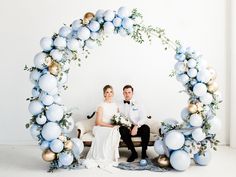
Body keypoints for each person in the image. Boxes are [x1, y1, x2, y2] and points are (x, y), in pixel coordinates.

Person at [86, 85, 121, 167]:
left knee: (115, 131)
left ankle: (111, 156)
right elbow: (98, 122)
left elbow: (118, 118)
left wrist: (118, 123)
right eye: (107, 92)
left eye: (111, 92)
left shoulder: (115, 105)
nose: (109, 94)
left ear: (113, 93)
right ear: (104, 94)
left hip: (111, 126)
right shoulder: (101, 106)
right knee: (111, 131)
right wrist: (110, 126)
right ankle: (104, 157)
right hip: (100, 127)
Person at [119, 85, 150, 162]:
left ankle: (144, 153)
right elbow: (120, 118)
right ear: (123, 93)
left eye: (129, 92)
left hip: (137, 127)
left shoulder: (139, 104)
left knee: (146, 128)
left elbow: (144, 117)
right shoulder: (120, 105)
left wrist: (136, 126)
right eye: (125, 92)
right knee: (121, 129)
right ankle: (133, 153)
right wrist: (127, 126)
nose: (127, 94)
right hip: (127, 127)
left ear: (132, 93)